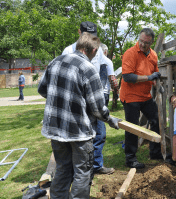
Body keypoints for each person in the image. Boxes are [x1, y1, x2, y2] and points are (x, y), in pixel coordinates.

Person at [38, 32, 120, 199]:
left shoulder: (55, 62)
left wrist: (60, 101)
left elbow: (42, 90)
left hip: (56, 129)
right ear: (94, 50)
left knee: (62, 168)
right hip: (79, 133)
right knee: (82, 172)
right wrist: (110, 119)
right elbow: (97, 107)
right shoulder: (88, 68)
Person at [62, 21, 115, 175]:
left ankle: (96, 166)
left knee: (100, 134)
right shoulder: (68, 51)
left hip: (93, 97)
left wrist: (111, 75)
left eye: (94, 36)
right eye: (88, 35)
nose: (91, 38)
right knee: (79, 137)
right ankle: (80, 169)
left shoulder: (97, 49)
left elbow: (106, 62)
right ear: (79, 33)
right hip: (76, 102)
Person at [120, 28, 162, 169]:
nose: (143, 45)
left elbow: (155, 72)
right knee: (133, 127)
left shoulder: (153, 55)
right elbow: (127, 77)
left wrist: (156, 82)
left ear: (151, 42)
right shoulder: (130, 53)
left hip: (145, 96)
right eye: (141, 41)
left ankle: (155, 153)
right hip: (130, 96)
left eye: (146, 43)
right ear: (139, 39)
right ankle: (130, 158)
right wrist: (148, 78)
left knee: (156, 120)